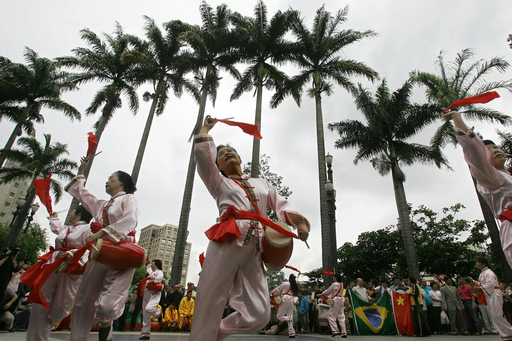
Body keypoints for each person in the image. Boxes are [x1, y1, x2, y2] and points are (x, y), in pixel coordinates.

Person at [189, 116, 310, 341]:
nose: (226, 153)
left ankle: (213, 334)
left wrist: (299, 223)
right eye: (221, 155)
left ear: (240, 158)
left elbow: (281, 203)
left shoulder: (262, 183)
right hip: (226, 239)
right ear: (218, 167)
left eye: (230, 151)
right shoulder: (219, 183)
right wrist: (205, 129)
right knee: (210, 295)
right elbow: (204, 160)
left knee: (260, 314)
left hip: (255, 246)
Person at [66, 158, 140, 341]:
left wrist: (102, 233)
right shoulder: (102, 204)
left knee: (106, 307)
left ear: (122, 182)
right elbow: (84, 195)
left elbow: (130, 220)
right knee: (84, 300)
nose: (107, 181)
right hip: (101, 251)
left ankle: (106, 322)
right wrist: (81, 173)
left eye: (111, 178)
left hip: (122, 252)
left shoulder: (129, 199)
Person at [443, 110, 512, 268]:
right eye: (489, 150)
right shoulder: (492, 178)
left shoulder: (506, 176)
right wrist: (456, 117)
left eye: (496, 147)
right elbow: (474, 150)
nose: (496, 150)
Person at [26, 206, 93, 341]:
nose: (71, 213)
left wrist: (72, 255)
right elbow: (57, 227)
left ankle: (50, 321)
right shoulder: (66, 229)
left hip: (70, 270)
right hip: (52, 267)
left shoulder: (88, 229)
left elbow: (90, 249)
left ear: (79, 213)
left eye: (73, 211)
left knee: (60, 309)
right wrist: (54, 218)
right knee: (39, 306)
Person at [472, 257, 512, 340]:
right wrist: (474, 282)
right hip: (490, 294)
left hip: (494, 293)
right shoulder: (483, 273)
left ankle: (509, 332)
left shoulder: (489, 273)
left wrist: (480, 287)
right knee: (494, 315)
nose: (477, 264)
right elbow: (483, 283)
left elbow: (490, 285)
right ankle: (505, 334)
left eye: (478, 262)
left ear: (484, 263)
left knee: (497, 315)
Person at [140, 260, 164, 340]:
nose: (151, 264)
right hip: (147, 293)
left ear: (156, 265)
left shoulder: (159, 272)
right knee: (145, 313)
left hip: (155, 293)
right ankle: (145, 333)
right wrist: (148, 267)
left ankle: (158, 312)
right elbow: (149, 270)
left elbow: (159, 278)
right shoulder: (151, 272)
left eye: (152, 263)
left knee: (148, 309)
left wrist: (154, 278)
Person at [322, 273, 347, 338]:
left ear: (335, 278)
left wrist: (323, 294)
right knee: (341, 316)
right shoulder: (342, 284)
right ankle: (344, 332)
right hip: (341, 300)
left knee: (331, 315)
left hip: (336, 300)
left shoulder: (334, 284)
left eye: (334, 277)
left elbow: (328, 291)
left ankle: (335, 330)